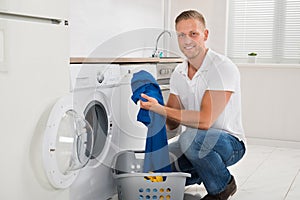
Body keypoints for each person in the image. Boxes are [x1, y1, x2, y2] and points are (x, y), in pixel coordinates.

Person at [139, 10, 246, 200]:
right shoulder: (179, 73)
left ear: (205, 35)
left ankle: (222, 186)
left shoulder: (221, 67)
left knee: (191, 138)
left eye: (193, 33)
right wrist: (152, 113)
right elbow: (172, 124)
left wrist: (161, 109)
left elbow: (205, 121)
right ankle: (202, 172)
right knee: (155, 165)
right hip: (193, 144)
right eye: (181, 35)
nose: (187, 40)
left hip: (229, 144)